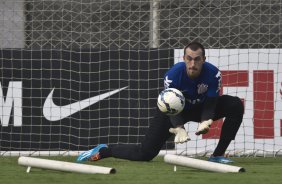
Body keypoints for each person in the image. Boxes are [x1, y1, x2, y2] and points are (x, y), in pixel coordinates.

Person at [77, 41, 244, 164]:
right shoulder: (173, 75)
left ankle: (217, 156)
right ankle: (105, 149)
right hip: (174, 109)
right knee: (145, 154)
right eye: (189, 59)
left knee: (235, 105)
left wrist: (206, 120)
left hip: (201, 107)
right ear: (184, 58)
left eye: (197, 59)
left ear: (204, 59)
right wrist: (179, 128)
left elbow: (211, 103)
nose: (193, 64)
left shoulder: (213, 74)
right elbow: (170, 106)